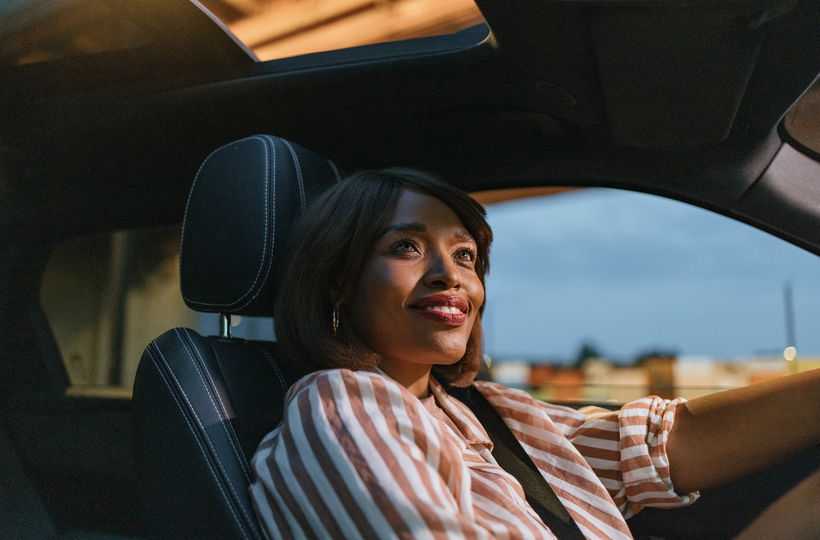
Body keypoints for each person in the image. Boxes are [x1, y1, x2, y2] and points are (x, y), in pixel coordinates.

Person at [250, 168, 820, 540]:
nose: (450, 275)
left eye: (466, 255)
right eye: (406, 247)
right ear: (338, 282)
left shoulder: (479, 414)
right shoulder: (345, 403)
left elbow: (662, 447)